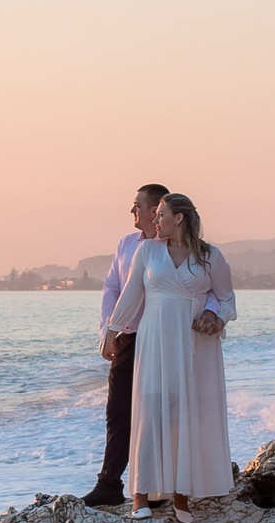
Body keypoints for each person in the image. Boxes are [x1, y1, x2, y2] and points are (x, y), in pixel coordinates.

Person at [87, 184, 228, 506]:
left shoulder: (203, 254)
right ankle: (111, 483)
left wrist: (212, 313)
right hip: (133, 337)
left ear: (159, 212)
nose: (132, 212)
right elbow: (115, 288)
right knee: (122, 412)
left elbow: (208, 292)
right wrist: (108, 330)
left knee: (173, 411)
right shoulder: (130, 246)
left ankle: (165, 490)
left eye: (138, 206)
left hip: (175, 339)